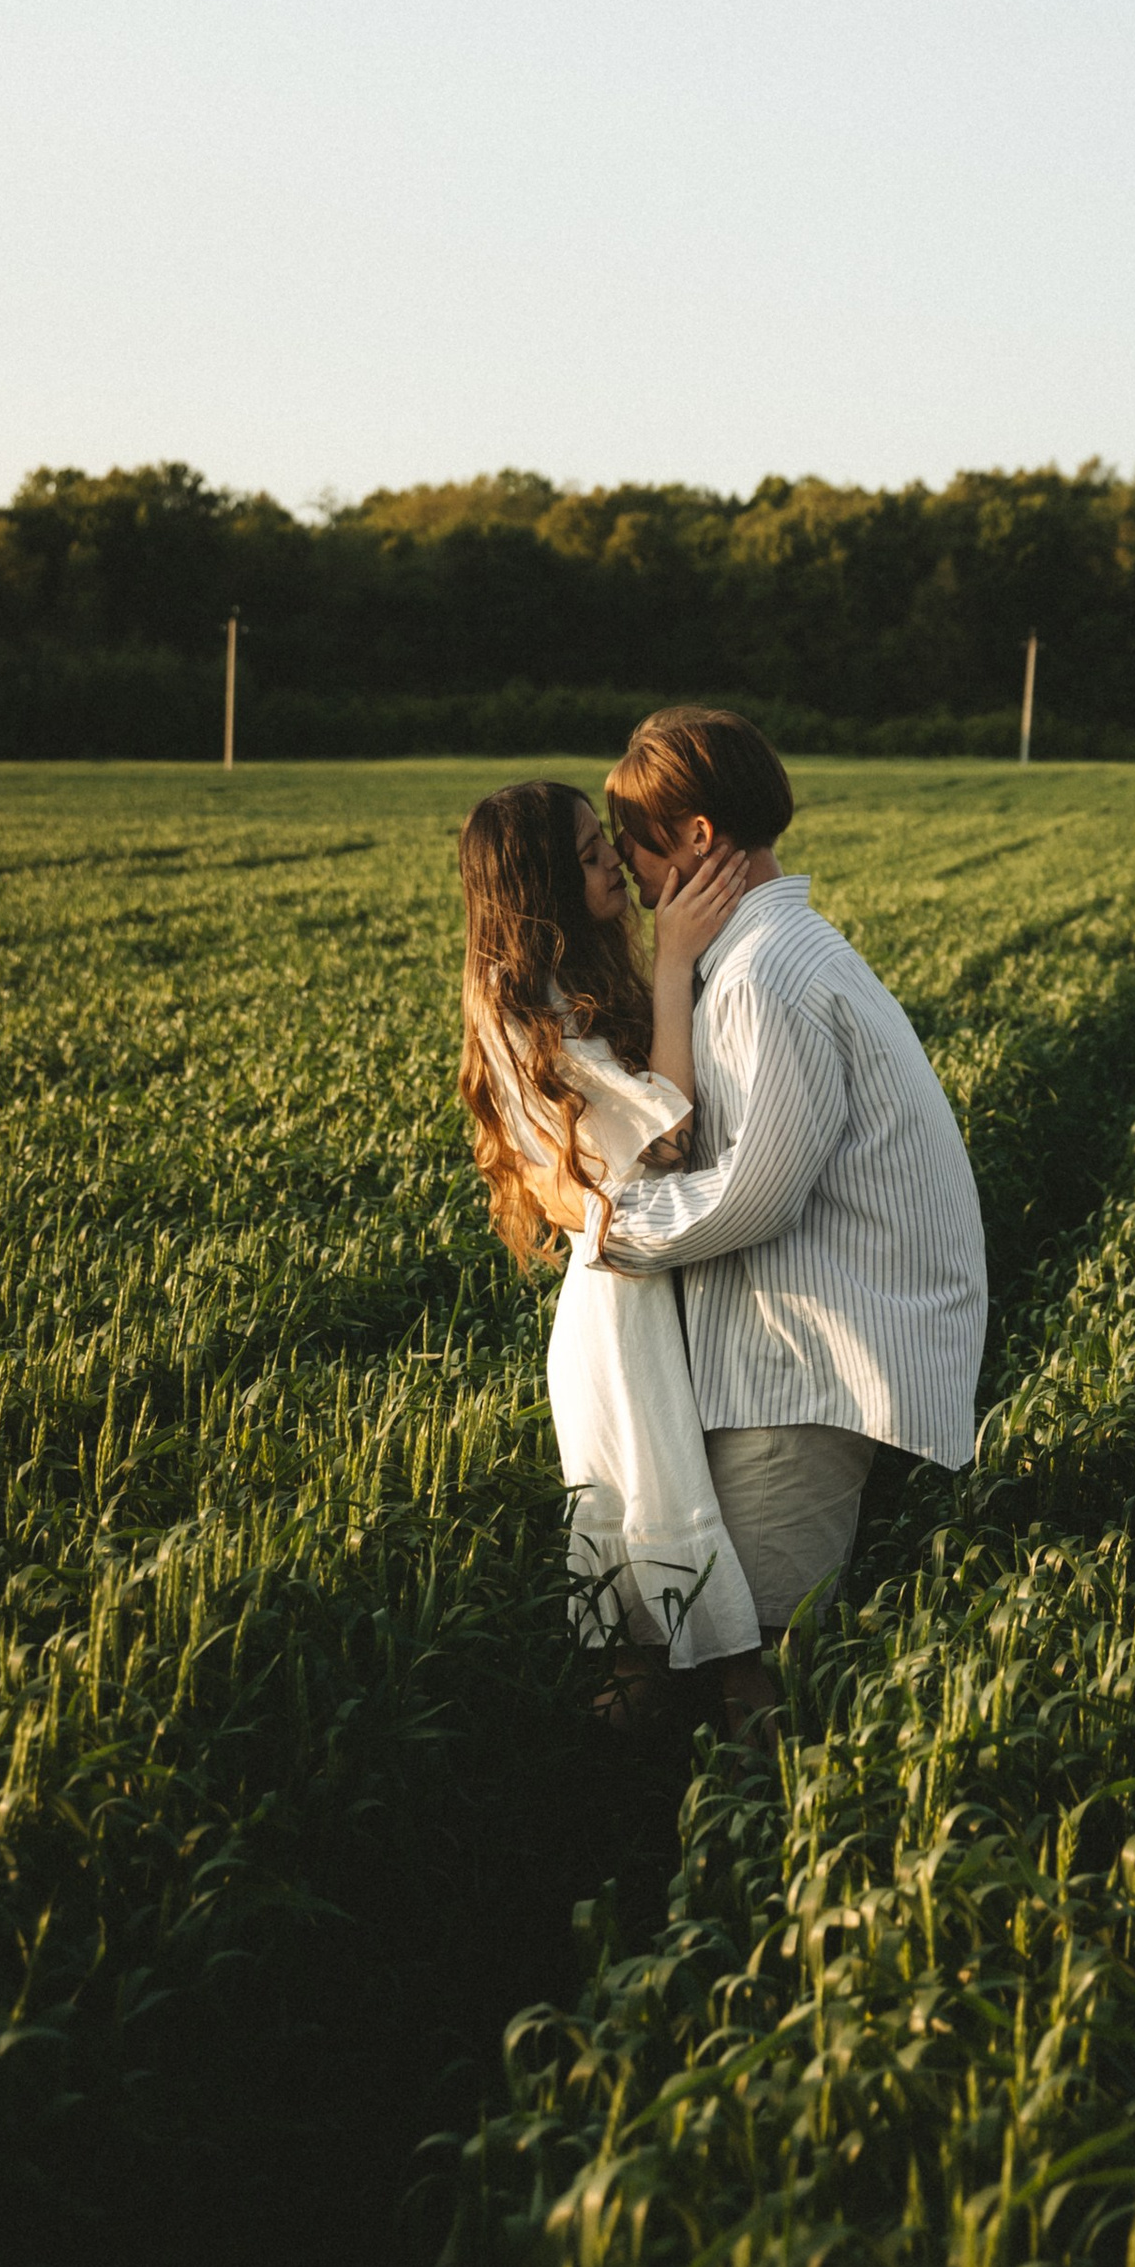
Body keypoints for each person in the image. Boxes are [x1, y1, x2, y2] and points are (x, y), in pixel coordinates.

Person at [592, 705, 988, 1728]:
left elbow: (757, 1193)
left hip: (812, 1353)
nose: (628, 866)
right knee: (717, 1634)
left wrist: (607, 1226)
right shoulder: (771, 954)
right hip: (799, 1338)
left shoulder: (765, 976)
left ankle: (778, 1820)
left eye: (634, 839)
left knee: (763, 1662)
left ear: (695, 837)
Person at [454, 777, 773, 1731]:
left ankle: (676, 1721)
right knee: (653, 1482)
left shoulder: (572, 977)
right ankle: (705, 1720)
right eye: (592, 854)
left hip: (644, 1270)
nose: (615, 867)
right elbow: (665, 1139)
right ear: (544, 884)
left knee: (661, 1484)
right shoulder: (521, 1007)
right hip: (621, 1300)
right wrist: (675, 963)